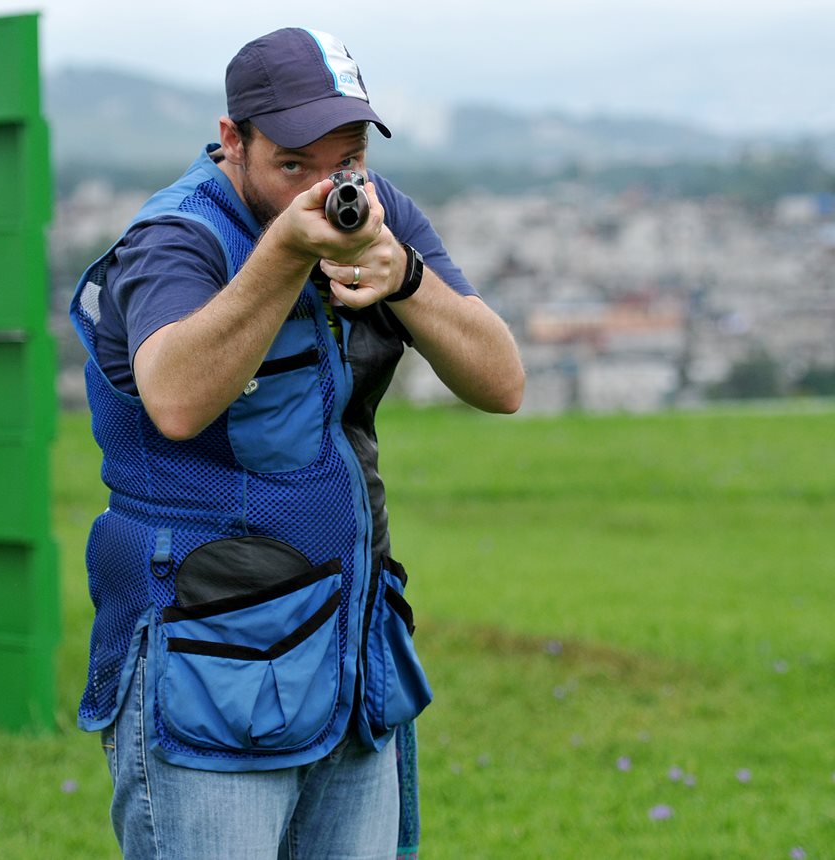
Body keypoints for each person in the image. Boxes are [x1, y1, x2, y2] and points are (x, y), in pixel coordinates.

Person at [69, 27, 524, 860]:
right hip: (202, 668)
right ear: (232, 140)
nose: (324, 188)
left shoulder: (373, 211)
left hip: (349, 658)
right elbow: (174, 398)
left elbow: (503, 384)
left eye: (344, 160)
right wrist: (283, 254)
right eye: (293, 165)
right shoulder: (175, 239)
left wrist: (408, 280)